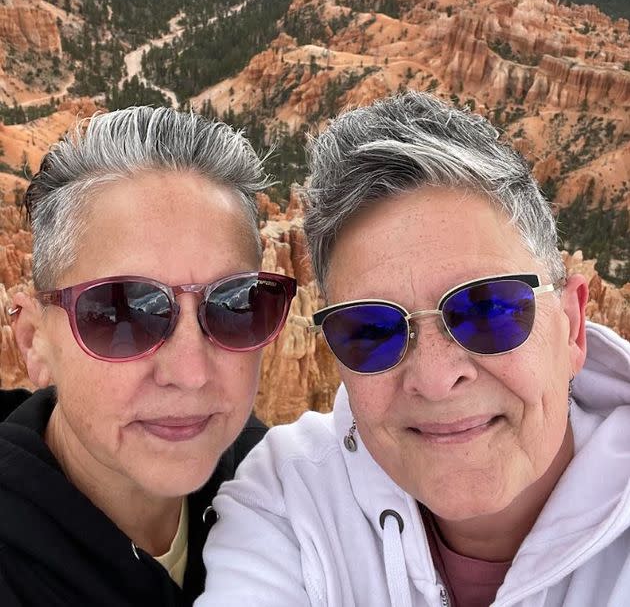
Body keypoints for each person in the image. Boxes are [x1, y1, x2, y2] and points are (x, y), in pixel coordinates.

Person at [197, 91, 630, 607]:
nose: (435, 377)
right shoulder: (291, 497)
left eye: (487, 310)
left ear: (573, 326)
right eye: (372, 330)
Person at [0, 106, 296, 607]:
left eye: (235, 304)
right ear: (34, 341)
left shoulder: (279, 488)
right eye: (123, 313)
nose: (191, 373)